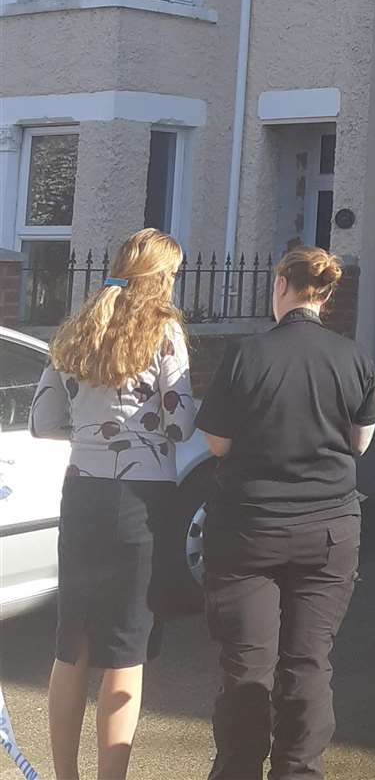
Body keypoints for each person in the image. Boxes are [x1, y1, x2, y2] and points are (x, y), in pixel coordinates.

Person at [197, 247, 375, 780]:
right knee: (307, 664)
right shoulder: (353, 357)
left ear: (281, 286)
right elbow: (359, 444)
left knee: (246, 666)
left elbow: (216, 443)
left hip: (248, 531)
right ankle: (299, 771)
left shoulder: (245, 355)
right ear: (324, 294)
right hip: (328, 532)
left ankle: (236, 770)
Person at [30, 228, 196, 780]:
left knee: (71, 642)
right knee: (126, 647)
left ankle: (64, 777)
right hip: (142, 501)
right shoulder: (164, 331)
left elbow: (42, 421)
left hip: (81, 495)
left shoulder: (77, 329)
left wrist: (93, 432)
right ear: (161, 276)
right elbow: (180, 423)